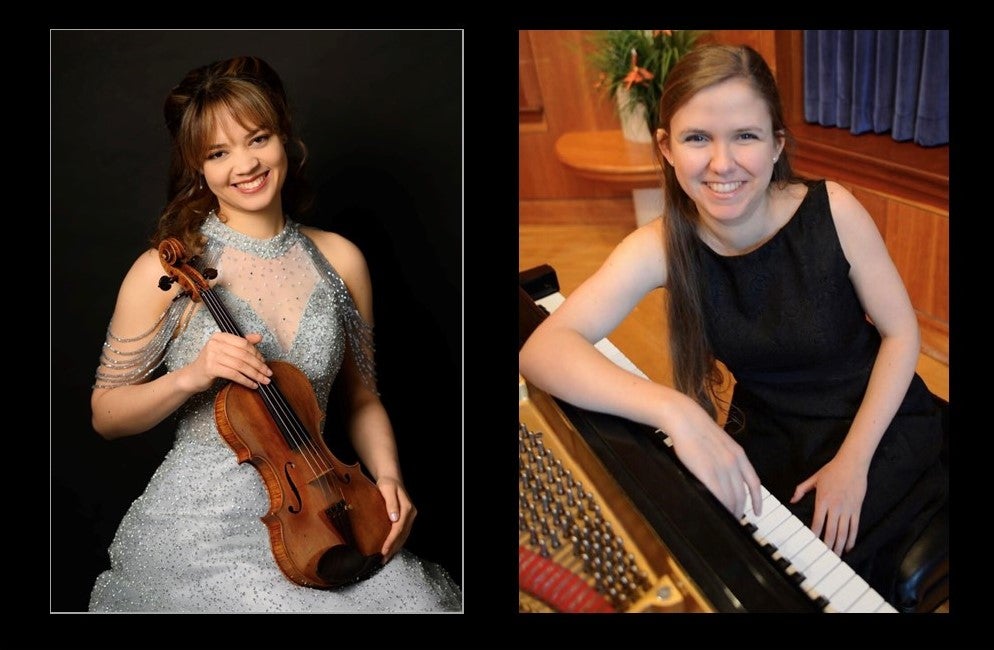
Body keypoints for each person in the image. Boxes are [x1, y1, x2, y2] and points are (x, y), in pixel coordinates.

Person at [518, 43, 946, 606]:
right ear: (667, 148)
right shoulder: (660, 246)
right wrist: (675, 410)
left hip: (879, 422)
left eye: (745, 135)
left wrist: (853, 462)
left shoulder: (833, 210)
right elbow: (543, 350)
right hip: (773, 434)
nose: (723, 164)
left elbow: (900, 334)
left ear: (776, 146)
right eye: (698, 138)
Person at [88, 55, 461, 613]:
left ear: (283, 136)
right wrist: (192, 377)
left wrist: (388, 479)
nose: (244, 164)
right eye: (218, 153)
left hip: (328, 514)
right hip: (202, 531)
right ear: (198, 168)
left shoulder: (340, 260)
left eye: (256, 138)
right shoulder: (165, 271)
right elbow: (105, 415)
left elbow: (361, 399)